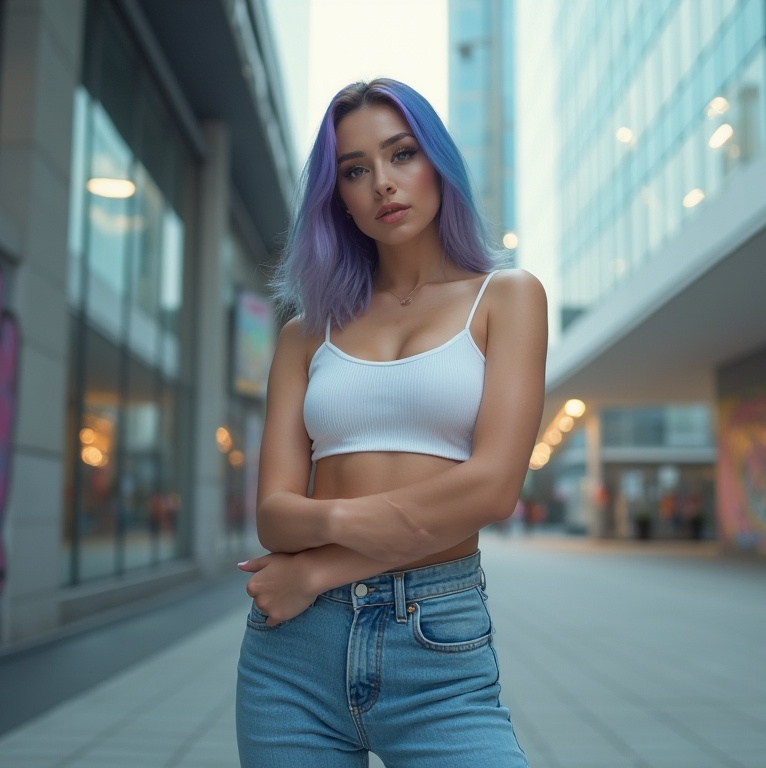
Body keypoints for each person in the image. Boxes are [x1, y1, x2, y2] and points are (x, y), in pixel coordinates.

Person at [234, 78, 545, 767]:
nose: (383, 183)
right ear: (336, 196)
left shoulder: (507, 298)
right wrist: (340, 533)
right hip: (291, 654)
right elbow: (276, 517)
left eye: (402, 154)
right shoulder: (305, 335)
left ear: (437, 162)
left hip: (434, 640)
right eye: (355, 169)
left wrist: (319, 569)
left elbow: (492, 489)